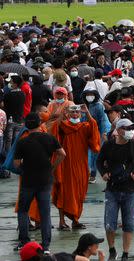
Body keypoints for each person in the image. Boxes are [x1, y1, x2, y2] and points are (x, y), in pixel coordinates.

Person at [96, 117, 134, 261]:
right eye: (127, 128)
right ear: (118, 130)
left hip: (130, 190)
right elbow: (99, 161)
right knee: (109, 224)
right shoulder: (108, 145)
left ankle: (125, 253)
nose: (131, 131)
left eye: (132, 128)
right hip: (112, 189)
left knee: (129, 224)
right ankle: (112, 249)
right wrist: (104, 173)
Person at [13, 112, 66, 253]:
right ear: (40, 123)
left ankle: (24, 241)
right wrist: (52, 167)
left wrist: (25, 167)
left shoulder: (22, 142)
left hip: (28, 181)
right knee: (45, 213)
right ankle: (46, 245)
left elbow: (17, 163)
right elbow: (62, 154)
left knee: (23, 211)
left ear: (26, 125)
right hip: (45, 179)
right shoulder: (49, 138)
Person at [52, 104, 101, 231]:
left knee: (79, 193)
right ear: (68, 114)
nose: (75, 115)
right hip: (66, 164)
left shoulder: (84, 126)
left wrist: (88, 113)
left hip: (81, 164)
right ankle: (62, 221)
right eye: (72, 113)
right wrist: (62, 114)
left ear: (81, 114)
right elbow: (53, 130)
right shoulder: (63, 126)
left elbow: (94, 129)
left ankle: (75, 220)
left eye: (77, 113)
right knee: (64, 191)